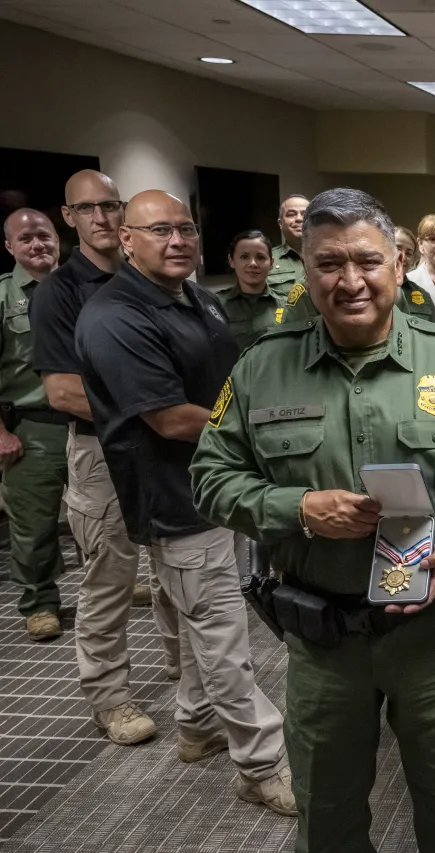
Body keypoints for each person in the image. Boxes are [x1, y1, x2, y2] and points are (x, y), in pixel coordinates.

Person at [191, 187, 435, 852]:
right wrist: (298, 509)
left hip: (431, 636)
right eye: (328, 263)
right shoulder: (263, 367)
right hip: (323, 641)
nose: (350, 280)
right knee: (329, 817)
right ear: (305, 266)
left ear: (396, 263)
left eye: (367, 261)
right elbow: (210, 477)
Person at [75, 189, 294, 814]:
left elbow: (223, 385)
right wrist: (263, 433)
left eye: (186, 228)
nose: (177, 241)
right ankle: (262, 764)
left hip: (220, 488)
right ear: (127, 240)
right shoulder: (116, 316)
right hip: (176, 500)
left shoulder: (195, 297)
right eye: (160, 230)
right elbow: (169, 419)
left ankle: (198, 725)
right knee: (225, 633)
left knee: (208, 618)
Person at [30, 170, 174, 743]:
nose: (102, 218)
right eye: (88, 209)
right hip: (101, 452)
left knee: (174, 571)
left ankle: (187, 677)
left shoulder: (155, 280)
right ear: (70, 217)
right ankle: (110, 697)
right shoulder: (59, 292)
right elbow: (63, 392)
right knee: (110, 579)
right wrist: (154, 406)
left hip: (163, 450)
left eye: (111, 206)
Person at [1, 209, 69, 641]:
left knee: (102, 514)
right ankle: (40, 602)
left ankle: (112, 583)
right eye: (25, 239)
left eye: (43, 235)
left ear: (57, 238)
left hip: (92, 424)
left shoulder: (83, 288)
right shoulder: (3, 298)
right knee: (34, 523)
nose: (37, 244)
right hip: (33, 426)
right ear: (10, 247)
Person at [218, 230, 317, 351]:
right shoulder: (216, 305)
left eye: (260, 257)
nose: (253, 264)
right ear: (232, 261)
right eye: (244, 257)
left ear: (271, 263)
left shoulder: (288, 305)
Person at [269, 194, 310, 289]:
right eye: (291, 214)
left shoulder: (331, 255)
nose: (299, 219)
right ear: (280, 223)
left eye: (305, 214)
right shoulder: (266, 259)